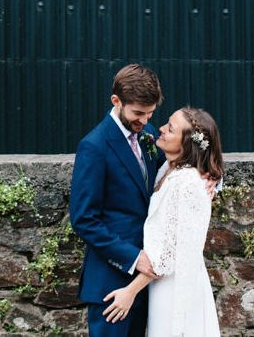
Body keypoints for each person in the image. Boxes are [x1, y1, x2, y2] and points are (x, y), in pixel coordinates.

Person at [101, 106, 224, 336]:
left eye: (170, 128)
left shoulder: (185, 183)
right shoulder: (168, 167)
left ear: (186, 144)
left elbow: (167, 254)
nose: (160, 128)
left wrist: (130, 291)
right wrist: (214, 173)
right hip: (162, 285)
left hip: (176, 287)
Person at [70, 64, 166, 336]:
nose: (145, 121)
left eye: (150, 113)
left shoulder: (148, 137)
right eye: (138, 113)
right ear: (116, 101)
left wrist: (209, 177)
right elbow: (84, 220)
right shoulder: (94, 146)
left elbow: (178, 166)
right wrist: (134, 258)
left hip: (146, 283)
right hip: (110, 283)